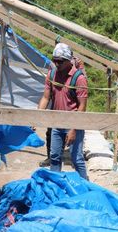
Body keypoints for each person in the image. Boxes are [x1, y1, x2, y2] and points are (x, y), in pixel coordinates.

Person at [38, 43, 88, 179]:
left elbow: (82, 107)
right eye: (55, 60)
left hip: (73, 124)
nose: (57, 64)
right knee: (54, 156)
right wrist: (36, 118)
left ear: (68, 61)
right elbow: (45, 97)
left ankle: (85, 187)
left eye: (60, 61)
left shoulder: (79, 78)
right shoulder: (52, 74)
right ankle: (56, 184)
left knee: (76, 158)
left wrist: (73, 129)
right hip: (57, 123)